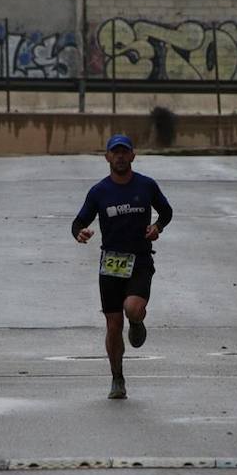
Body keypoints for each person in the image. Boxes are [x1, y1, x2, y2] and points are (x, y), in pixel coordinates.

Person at [72, 134, 173, 399]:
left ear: (132, 156)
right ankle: (117, 378)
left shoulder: (146, 185)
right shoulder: (99, 192)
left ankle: (137, 321)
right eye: (114, 152)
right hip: (112, 264)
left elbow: (167, 211)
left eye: (124, 152)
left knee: (132, 308)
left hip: (140, 259)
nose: (119, 156)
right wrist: (80, 233)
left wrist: (157, 227)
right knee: (113, 326)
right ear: (106, 157)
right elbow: (78, 222)